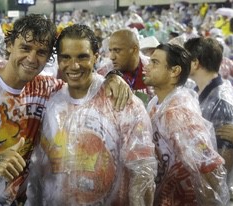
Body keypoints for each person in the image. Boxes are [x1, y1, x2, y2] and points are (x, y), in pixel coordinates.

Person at [0, 14, 130, 206]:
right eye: (25, 48)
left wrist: (113, 77)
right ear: (9, 45)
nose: (32, 58)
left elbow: (84, 87)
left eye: (41, 52)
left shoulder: (49, 90)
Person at [25, 24, 157, 206]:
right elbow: (39, 169)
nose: (74, 65)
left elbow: (143, 171)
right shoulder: (51, 102)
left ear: (96, 56)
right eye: (66, 57)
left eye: (82, 57)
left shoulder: (121, 102)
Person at [143, 43, 229, 205]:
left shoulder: (178, 113)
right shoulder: (157, 103)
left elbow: (209, 166)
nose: (147, 67)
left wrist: (214, 201)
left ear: (174, 71)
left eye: (155, 63)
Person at [183, 37, 233, 193]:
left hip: (207, 190)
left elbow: (226, 159)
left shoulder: (221, 103)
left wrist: (211, 193)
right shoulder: (199, 91)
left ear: (195, 63)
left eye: (184, 58)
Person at [103, 29, 153, 104]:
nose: (112, 57)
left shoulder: (152, 68)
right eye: (110, 51)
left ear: (134, 49)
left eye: (117, 50)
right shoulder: (103, 72)